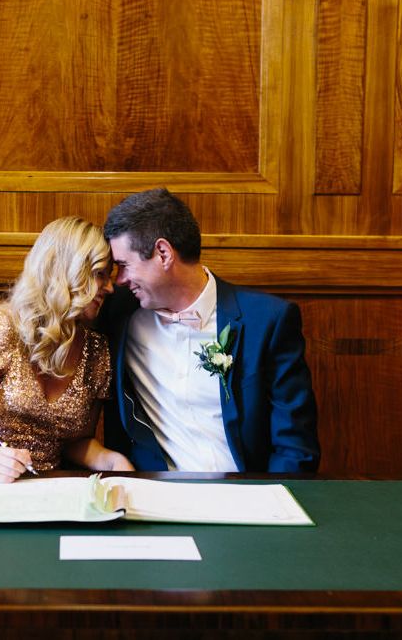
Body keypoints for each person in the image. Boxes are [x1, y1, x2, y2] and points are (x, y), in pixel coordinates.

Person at [99, 187, 320, 472]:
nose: (120, 280)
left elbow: (295, 445)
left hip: (245, 496)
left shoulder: (267, 321)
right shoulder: (117, 314)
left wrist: (271, 505)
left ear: (163, 253)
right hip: (153, 493)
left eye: (124, 266)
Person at [0, 216, 134, 482]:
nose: (110, 287)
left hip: (37, 490)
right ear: (66, 271)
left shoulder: (96, 350)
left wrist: (111, 459)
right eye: (100, 274)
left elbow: (75, 442)